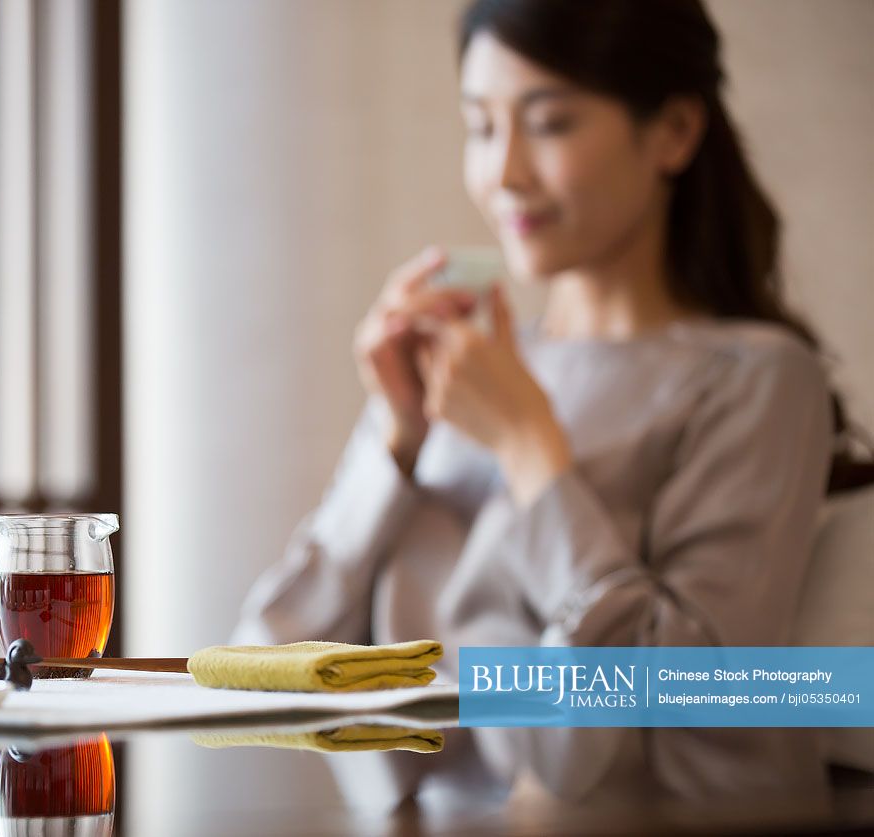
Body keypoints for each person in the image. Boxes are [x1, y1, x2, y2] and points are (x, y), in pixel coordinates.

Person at [232, 0, 874, 802]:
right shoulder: (465, 375)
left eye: (549, 123)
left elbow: (695, 694)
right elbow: (261, 661)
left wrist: (531, 450)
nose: (502, 174)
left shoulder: (758, 378)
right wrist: (393, 442)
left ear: (673, 131)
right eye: (479, 127)